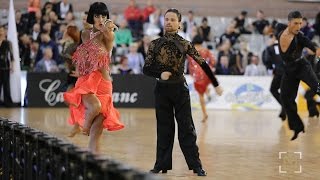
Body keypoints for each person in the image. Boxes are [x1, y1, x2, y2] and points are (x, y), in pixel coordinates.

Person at [143, 8, 223, 176]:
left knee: (187, 129)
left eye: (173, 19)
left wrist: (215, 83)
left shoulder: (185, 43)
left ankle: (196, 166)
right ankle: (161, 165)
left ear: (179, 24)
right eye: (167, 19)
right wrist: (160, 74)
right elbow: (146, 69)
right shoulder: (155, 44)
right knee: (164, 129)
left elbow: (203, 64)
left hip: (180, 90)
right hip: (161, 91)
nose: (169, 22)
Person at [63, 2, 124, 154]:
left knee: (95, 138)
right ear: (92, 16)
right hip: (87, 81)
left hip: (104, 84)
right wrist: (79, 70)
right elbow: (84, 55)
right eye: (97, 15)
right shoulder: (85, 34)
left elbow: (108, 38)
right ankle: (84, 127)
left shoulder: (109, 35)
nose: (100, 18)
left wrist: (107, 29)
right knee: (94, 107)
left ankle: (94, 165)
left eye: (103, 15)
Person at [276, 11, 320, 140]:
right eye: (296, 23)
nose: (299, 26)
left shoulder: (299, 36)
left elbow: (312, 46)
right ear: (289, 23)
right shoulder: (281, 32)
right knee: (285, 98)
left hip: (302, 66)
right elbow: (275, 25)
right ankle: (297, 127)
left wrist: (317, 52)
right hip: (289, 70)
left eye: (300, 23)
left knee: (317, 87)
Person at [187, 35, 215, 122]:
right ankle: (208, 93)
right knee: (204, 87)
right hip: (206, 73)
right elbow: (213, 61)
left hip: (198, 75)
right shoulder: (206, 51)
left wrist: (192, 73)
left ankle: (205, 114)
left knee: (201, 95)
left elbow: (190, 65)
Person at [263, 34, 286, 121]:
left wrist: (271, 69)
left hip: (279, 73)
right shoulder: (285, 46)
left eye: (270, 39)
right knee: (284, 92)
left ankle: (284, 107)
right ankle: (284, 110)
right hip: (288, 72)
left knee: (273, 89)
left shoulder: (270, 48)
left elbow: (266, 60)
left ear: (273, 38)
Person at [0, 26, 14, 107]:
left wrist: (12, 66)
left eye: (2, 31)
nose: (1, 32)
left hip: (5, 67)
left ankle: (7, 102)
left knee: (6, 85)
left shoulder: (8, 43)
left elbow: (11, 56)